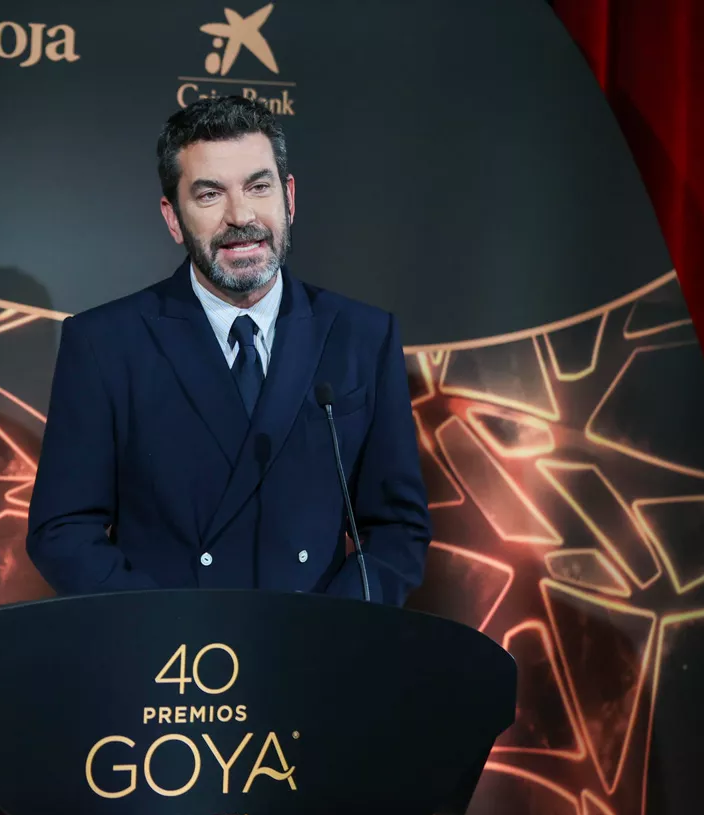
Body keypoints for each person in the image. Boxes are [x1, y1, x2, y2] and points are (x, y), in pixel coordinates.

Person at [26, 96, 430, 604]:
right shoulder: (105, 343)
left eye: (258, 187)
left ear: (289, 198)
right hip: (169, 663)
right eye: (210, 194)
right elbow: (62, 531)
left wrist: (337, 627)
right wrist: (164, 630)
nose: (241, 216)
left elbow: (397, 528)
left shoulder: (363, 337)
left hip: (316, 656)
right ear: (173, 218)